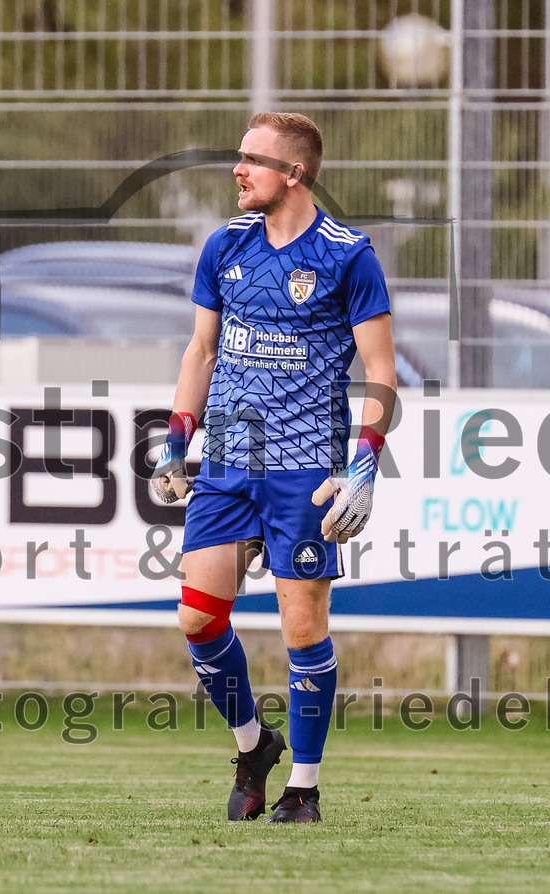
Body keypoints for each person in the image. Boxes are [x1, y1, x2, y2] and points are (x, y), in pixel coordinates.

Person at [151, 112, 397, 823]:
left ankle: (305, 789)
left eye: (252, 160)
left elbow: (380, 370)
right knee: (198, 618)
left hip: (305, 469)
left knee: (301, 627)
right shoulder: (226, 246)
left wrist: (364, 469)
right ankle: (255, 746)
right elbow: (201, 352)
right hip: (230, 459)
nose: (237, 170)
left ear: (293, 173)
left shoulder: (347, 256)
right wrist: (176, 445)